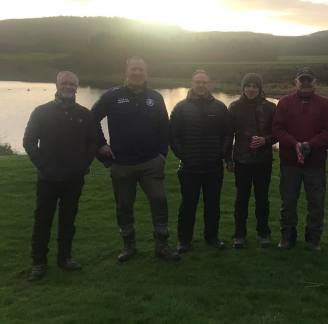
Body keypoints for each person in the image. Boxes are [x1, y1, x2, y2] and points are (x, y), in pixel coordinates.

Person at [92, 56, 179, 262]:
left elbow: (164, 128)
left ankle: (162, 245)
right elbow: (91, 119)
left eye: (140, 69)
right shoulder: (112, 96)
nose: (137, 73)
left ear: (145, 72)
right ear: (127, 72)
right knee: (124, 205)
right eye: (133, 69)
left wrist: (161, 155)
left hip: (151, 162)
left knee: (159, 200)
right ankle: (129, 246)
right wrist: (101, 144)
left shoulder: (156, 97)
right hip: (121, 164)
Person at [23, 71, 97, 281]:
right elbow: (28, 141)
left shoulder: (85, 114)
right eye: (64, 83)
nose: (68, 86)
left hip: (74, 178)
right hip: (48, 178)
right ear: (57, 85)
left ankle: (64, 258)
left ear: (77, 87)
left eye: (72, 83)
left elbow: (92, 142)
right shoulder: (41, 112)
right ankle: (38, 263)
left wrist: (83, 164)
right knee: (42, 220)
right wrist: (43, 165)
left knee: (68, 220)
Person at [169, 70, 233, 253]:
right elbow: (173, 136)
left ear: (209, 84)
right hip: (189, 167)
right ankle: (184, 240)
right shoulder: (180, 108)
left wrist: (221, 153)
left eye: (204, 82)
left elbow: (228, 134)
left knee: (212, 205)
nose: (201, 86)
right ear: (192, 83)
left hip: (213, 167)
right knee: (188, 205)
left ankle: (212, 237)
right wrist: (183, 156)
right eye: (198, 82)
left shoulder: (220, 108)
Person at [272, 67, 328, 250]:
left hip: (315, 164)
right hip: (289, 163)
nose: (306, 83)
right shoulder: (284, 103)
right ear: (296, 82)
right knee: (288, 203)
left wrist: (309, 145)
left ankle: (313, 239)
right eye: (302, 80)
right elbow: (277, 129)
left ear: (315, 83)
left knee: (316, 203)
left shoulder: (324, 104)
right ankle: (287, 238)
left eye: (309, 80)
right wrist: (295, 144)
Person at [227, 73, 276, 248]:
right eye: (248, 85)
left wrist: (266, 140)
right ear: (243, 88)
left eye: (255, 86)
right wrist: (228, 158)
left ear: (260, 88)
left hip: (263, 161)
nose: (251, 89)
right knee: (242, 199)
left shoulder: (270, 107)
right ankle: (239, 235)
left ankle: (264, 233)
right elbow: (228, 134)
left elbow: (278, 133)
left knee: (262, 199)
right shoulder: (234, 107)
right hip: (241, 161)